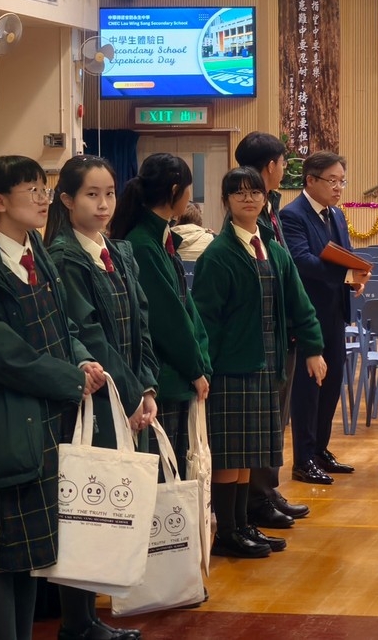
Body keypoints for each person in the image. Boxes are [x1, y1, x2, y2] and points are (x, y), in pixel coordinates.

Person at [0, 155, 107, 640]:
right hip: (8, 420)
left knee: (34, 549)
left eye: (44, 188)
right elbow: (1, 353)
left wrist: (82, 360)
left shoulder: (37, 249)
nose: (42, 199)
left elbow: (65, 323)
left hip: (51, 413)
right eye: (31, 190)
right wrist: (68, 379)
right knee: (1, 550)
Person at [44, 155, 155, 639]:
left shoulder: (119, 251)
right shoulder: (63, 257)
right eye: (92, 194)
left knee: (109, 503)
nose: (103, 204)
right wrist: (128, 396)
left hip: (126, 394)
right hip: (92, 397)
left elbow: (141, 323)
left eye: (109, 193)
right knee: (87, 506)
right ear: (67, 200)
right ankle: (77, 621)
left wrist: (147, 387)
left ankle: (90, 616)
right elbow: (89, 334)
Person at [192, 167, 327, 558]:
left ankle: (243, 525)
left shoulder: (273, 250)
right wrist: (203, 369)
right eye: (238, 193)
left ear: (265, 199)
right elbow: (204, 320)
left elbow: (300, 304)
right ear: (226, 201)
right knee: (229, 455)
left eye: (254, 192)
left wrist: (314, 348)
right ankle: (227, 532)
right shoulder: (219, 254)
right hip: (230, 368)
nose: (248, 199)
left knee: (249, 454)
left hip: (268, 365)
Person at [108, 153, 212, 479]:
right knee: (164, 479)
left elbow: (186, 306)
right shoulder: (142, 243)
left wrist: (201, 362)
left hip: (178, 374)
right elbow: (167, 318)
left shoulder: (160, 236)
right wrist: (195, 368)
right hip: (164, 377)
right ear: (175, 190)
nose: (190, 198)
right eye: (188, 190)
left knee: (178, 474)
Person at [234, 131, 310, 529]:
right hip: (265, 335)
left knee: (275, 418)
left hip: (282, 332)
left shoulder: (269, 208)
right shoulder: (250, 217)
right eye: (282, 163)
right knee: (264, 419)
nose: (283, 170)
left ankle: (268, 488)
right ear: (270, 166)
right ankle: (257, 497)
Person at [280, 151, 370, 485]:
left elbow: (345, 256)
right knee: (308, 388)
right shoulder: (292, 215)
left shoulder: (336, 215)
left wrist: (356, 276)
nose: (338, 187)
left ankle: (320, 449)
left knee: (331, 385)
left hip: (335, 312)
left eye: (342, 181)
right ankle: (303, 459)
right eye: (332, 180)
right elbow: (302, 261)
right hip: (309, 315)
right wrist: (347, 274)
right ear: (310, 180)